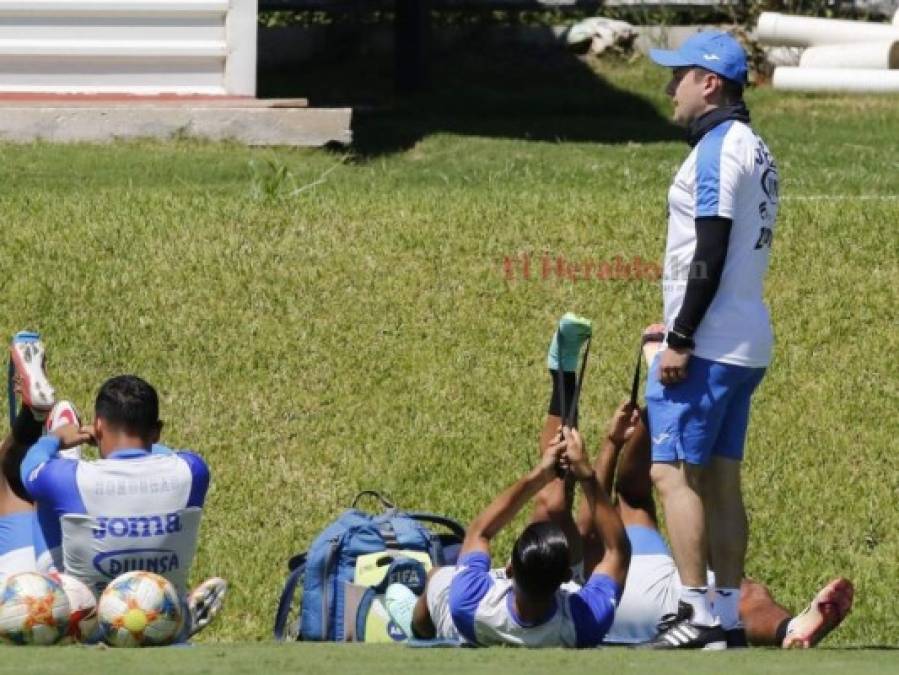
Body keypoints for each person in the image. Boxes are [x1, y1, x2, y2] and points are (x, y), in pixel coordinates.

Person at [645, 31, 781, 647]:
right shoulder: (755, 147)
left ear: (712, 83)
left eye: (681, 76)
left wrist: (680, 335)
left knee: (670, 474)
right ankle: (725, 613)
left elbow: (712, 245)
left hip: (708, 343)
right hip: (745, 338)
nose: (670, 88)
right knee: (721, 478)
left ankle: (694, 611)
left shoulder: (717, 150)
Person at [384, 315, 631, 648]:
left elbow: (480, 532)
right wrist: (585, 471)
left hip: (460, 622)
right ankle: (562, 375)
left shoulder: (469, 601)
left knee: (434, 578)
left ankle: (414, 625)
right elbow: (617, 551)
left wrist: (540, 473)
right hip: (535, 609)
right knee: (553, 504)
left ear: (509, 569)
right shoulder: (582, 624)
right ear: (566, 578)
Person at [602, 327, 853, 649]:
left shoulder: (612, 533)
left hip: (659, 602)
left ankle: (789, 630)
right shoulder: (590, 560)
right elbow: (615, 491)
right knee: (739, 593)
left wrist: (660, 408)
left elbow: (626, 489)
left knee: (737, 592)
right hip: (642, 600)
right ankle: (785, 627)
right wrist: (648, 406)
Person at [19, 373, 226, 637]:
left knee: (46, 493)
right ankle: (175, 616)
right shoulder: (193, 471)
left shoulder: (72, 480)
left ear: (98, 425)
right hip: (155, 608)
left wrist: (56, 438)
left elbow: (31, 466)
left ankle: (59, 597)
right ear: (157, 431)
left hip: (86, 625)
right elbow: (166, 455)